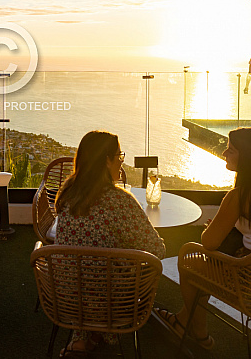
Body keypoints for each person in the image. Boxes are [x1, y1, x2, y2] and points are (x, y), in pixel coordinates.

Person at [154, 127, 251, 351]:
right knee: (213, 264)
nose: (224, 153)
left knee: (191, 260)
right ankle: (184, 320)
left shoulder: (240, 197)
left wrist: (215, 228)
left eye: (231, 150)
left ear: (247, 158)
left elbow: (209, 243)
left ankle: (199, 333)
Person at [54, 130, 165, 357]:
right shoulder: (120, 202)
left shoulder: (67, 194)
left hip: (66, 297)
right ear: (106, 160)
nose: (121, 163)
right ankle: (101, 331)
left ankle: (85, 336)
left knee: (93, 268)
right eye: (119, 156)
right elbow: (157, 250)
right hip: (114, 302)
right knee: (142, 266)